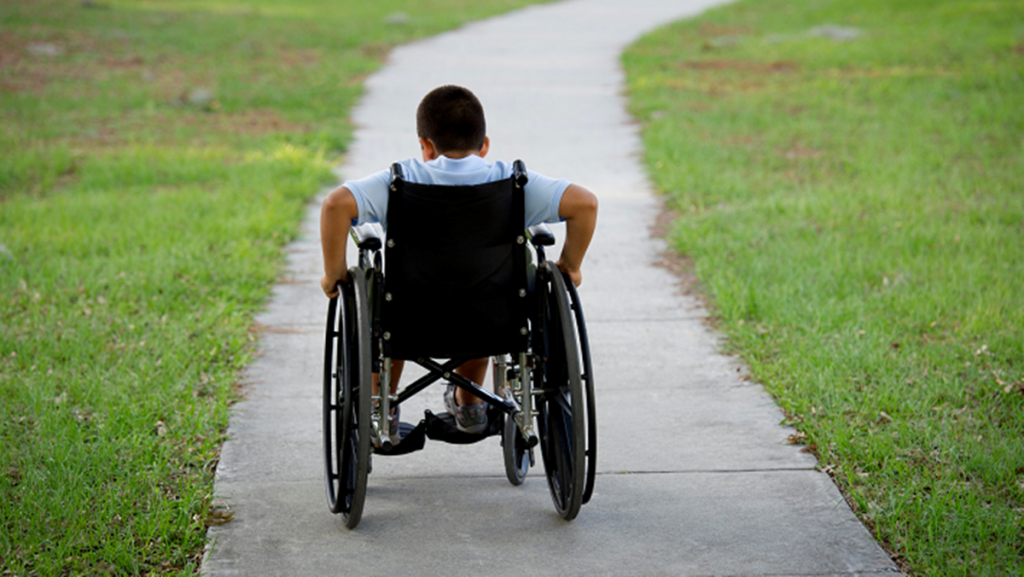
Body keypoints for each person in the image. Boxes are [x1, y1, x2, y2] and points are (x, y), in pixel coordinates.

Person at [320, 85, 597, 442]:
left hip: (409, 317)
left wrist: (334, 274)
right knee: (487, 293)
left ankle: (379, 404)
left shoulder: (399, 181)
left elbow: (335, 206)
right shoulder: (513, 182)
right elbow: (585, 205)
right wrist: (570, 264)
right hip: (494, 318)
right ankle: (469, 403)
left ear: (426, 146)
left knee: (384, 302)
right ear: (484, 145)